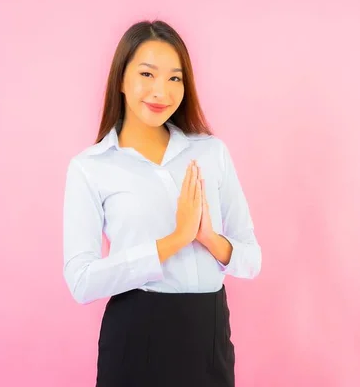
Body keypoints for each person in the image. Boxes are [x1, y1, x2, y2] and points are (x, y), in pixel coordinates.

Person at [62, 20, 262, 386]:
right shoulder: (91, 168)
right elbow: (81, 281)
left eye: (175, 78)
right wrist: (174, 240)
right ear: (121, 79)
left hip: (209, 336)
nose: (161, 91)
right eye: (147, 74)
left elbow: (252, 260)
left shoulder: (211, 152)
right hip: (136, 336)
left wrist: (208, 238)